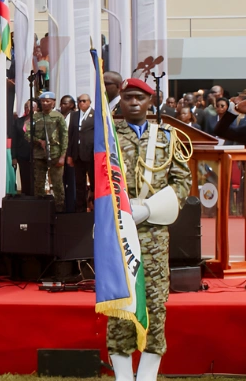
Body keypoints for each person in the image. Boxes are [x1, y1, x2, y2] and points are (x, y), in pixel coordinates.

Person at [108, 78, 190, 381]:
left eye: (139, 98)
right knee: (121, 303)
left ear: (150, 101)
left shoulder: (167, 137)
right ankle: (122, 375)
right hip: (119, 230)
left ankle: (146, 375)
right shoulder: (110, 137)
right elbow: (100, 183)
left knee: (155, 302)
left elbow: (182, 180)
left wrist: (152, 208)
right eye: (128, 97)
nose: (133, 103)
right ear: (121, 100)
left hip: (154, 231)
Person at [24, 91, 68, 211]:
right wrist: (38, 141)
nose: (45, 103)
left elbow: (64, 137)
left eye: (48, 101)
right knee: (39, 183)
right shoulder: (36, 117)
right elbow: (27, 134)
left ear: (53, 102)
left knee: (57, 183)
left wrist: (63, 156)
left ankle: (60, 208)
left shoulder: (58, 117)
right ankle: (40, 208)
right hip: (39, 155)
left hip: (55, 154)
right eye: (43, 101)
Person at [67, 93, 95, 212]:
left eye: (84, 101)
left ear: (89, 102)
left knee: (94, 182)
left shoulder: (95, 115)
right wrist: (69, 154)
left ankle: (94, 207)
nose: (81, 103)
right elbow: (70, 135)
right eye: (79, 101)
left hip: (90, 154)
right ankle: (80, 209)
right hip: (77, 153)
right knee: (79, 183)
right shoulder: (74, 115)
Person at [12, 100, 37, 196]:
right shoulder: (18, 121)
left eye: (30, 106)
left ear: (36, 108)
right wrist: (14, 156)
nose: (28, 109)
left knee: (36, 178)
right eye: (26, 106)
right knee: (25, 177)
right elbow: (14, 139)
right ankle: (26, 197)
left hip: (36, 154)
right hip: (22, 154)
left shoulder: (39, 120)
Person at [60, 95, 77, 212]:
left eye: (65, 103)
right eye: (61, 103)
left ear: (71, 105)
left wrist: (68, 154)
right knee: (64, 182)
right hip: (61, 154)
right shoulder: (61, 117)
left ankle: (72, 207)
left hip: (70, 155)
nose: (62, 106)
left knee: (72, 182)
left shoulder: (74, 117)